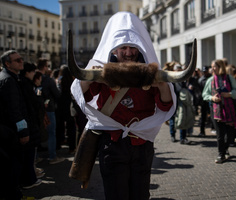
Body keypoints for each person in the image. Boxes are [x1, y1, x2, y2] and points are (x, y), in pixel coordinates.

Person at [70, 12, 178, 200]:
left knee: (141, 193)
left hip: (142, 142)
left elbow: (165, 104)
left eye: (133, 48)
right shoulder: (102, 71)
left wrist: (161, 84)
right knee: (115, 193)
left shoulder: (150, 73)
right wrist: (90, 77)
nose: (128, 53)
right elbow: (83, 96)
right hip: (112, 143)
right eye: (123, 48)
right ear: (113, 50)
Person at [0, 50, 30, 199]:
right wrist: (23, 132)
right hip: (10, 133)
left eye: (21, 59)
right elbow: (14, 110)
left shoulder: (2, 77)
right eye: (17, 60)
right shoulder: (8, 80)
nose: (21, 62)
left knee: (4, 171)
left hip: (3, 131)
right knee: (11, 170)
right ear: (7, 64)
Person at [202, 59, 236, 164]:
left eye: (215, 66)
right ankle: (220, 154)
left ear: (221, 67)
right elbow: (205, 95)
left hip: (229, 109)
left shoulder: (229, 78)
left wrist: (230, 94)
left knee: (230, 134)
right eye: (212, 66)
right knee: (220, 134)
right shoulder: (210, 80)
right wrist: (212, 98)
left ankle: (225, 148)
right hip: (216, 110)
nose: (212, 68)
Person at [19, 62, 43, 188]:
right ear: (28, 72)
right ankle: (29, 179)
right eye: (33, 72)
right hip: (28, 122)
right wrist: (38, 97)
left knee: (29, 153)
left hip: (27, 122)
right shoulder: (26, 85)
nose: (34, 74)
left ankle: (30, 175)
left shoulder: (21, 82)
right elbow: (33, 103)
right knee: (29, 153)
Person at [37, 58, 64, 164]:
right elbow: (57, 94)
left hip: (38, 108)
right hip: (49, 109)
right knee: (51, 133)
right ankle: (52, 156)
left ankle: (36, 157)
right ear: (44, 67)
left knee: (38, 131)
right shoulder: (48, 80)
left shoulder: (34, 77)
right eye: (47, 66)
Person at [56, 65, 77, 153]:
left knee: (59, 125)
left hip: (59, 105)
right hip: (69, 104)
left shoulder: (59, 80)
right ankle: (72, 147)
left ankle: (58, 144)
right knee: (71, 126)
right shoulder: (71, 81)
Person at [198, 65, 212, 137]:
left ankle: (213, 128)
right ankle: (202, 131)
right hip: (203, 100)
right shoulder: (201, 80)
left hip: (211, 99)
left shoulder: (211, 78)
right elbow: (199, 91)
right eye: (204, 72)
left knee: (212, 115)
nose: (205, 73)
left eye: (206, 71)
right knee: (203, 116)